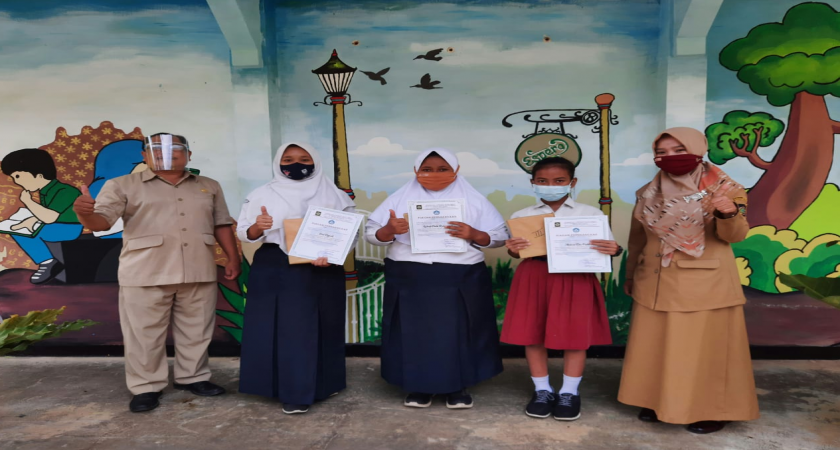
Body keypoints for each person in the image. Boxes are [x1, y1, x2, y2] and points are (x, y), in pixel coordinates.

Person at [72, 133, 241, 413]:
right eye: (157, 149)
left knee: (197, 330)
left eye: (176, 148)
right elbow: (101, 223)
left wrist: (233, 258)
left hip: (199, 268)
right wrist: (84, 213)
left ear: (188, 154)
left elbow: (221, 223)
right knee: (144, 334)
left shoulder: (209, 186)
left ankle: (193, 378)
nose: (168, 154)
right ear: (144, 156)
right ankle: (146, 387)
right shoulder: (122, 184)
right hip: (145, 271)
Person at [618, 127, 759, 434]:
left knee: (702, 351)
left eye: (679, 150)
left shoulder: (726, 189)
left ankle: (710, 409)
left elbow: (734, 235)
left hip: (703, 285)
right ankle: (656, 401)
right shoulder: (648, 192)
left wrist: (728, 213)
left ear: (698, 149)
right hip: (653, 281)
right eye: (662, 152)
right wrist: (630, 274)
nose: (670, 157)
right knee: (655, 348)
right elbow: (638, 238)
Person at [365, 148, 507, 409]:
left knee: (459, 332)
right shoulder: (398, 200)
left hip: (460, 274)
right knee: (413, 332)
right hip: (410, 273)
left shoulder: (475, 201)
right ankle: (418, 387)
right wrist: (389, 229)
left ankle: (457, 387)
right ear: (416, 171)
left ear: (456, 170)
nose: (434, 175)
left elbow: (498, 236)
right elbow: (372, 234)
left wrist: (475, 234)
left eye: (443, 169)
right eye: (427, 169)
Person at [236, 143, 355, 415]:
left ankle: (326, 382)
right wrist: (258, 226)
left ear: (316, 161)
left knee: (324, 325)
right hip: (276, 267)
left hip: (322, 267)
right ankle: (291, 390)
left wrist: (332, 253)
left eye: (304, 159)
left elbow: (351, 234)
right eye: (288, 159)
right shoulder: (262, 194)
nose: (295, 164)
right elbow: (245, 232)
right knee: (285, 328)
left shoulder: (335, 195)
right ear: (278, 162)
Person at [501, 157, 618, 421]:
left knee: (575, 335)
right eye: (542, 181)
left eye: (558, 181)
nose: (550, 186)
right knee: (533, 334)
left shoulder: (590, 214)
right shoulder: (522, 216)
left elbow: (608, 247)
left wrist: (615, 249)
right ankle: (542, 390)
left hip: (575, 276)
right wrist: (512, 249)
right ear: (533, 183)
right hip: (535, 275)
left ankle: (569, 392)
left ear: (571, 183)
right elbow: (516, 253)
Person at [1, 148, 83, 284]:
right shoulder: (46, 191)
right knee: (19, 230)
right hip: (56, 226)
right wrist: (29, 221)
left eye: (18, 176)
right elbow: (46, 214)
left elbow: (49, 217)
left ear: (38, 175)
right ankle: (48, 262)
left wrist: (28, 201)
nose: (16, 182)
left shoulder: (65, 191)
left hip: (70, 229)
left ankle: (48, 263)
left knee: (27, 233)